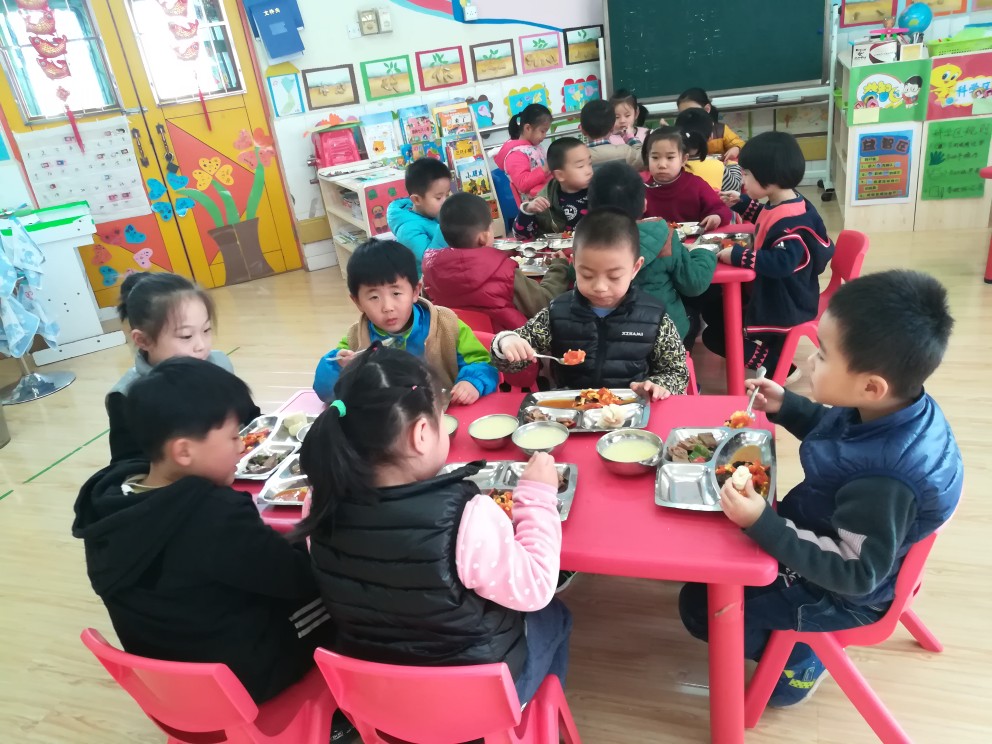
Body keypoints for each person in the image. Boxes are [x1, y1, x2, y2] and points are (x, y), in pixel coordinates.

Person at [680, 270, 963, 708]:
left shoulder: (884, 480)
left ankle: (798, 661)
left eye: (824, 356)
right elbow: (837, 433)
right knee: (711, 560)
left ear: (871, 386)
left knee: (702, 606)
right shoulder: (891, 408)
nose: (810, 361)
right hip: (850, 536)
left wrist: (762, 523)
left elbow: (855, 574)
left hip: (845, 590)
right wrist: (787, 405)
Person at [73, 358, 355, 741]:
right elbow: (299, 579)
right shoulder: (214, 516)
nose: (241, 447)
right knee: (340, 592)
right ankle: (345, 708)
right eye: (234, 437)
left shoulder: (107, 500)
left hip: (170, 686)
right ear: (184, 451)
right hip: (240, 681)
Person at [299, 347, 572, 705]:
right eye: (443, 417)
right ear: (422, 433)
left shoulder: (316, 503)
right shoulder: (467, 517)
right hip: (472, 700)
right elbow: (536, 587)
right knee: (555, 614)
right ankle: (535, 713)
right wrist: (537, 497)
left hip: (380, 695)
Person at [491, 208, 690, 397]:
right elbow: (514, 362)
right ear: (575, 264)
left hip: (630, 407)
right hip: (572, 408)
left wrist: (658, 385)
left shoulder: (654, 317)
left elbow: (676, 372)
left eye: (614, 277)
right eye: (587, 275)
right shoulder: (557, 312)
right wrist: (505, 343)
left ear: (635, 268)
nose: (600, 287)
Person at [702, 131, 834, 379]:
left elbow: (782, 262)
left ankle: (778, 368)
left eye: (747, 174)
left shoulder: (792, 222)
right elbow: (767, 218)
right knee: (713, 307)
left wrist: (739, 256)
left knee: (716, 336)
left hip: (785, 305)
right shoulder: (787, 201)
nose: (743, 180)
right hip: (782, 294)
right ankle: (774, 357)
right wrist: (741, 203)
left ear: (769, 178)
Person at [313, 238, 498, 405]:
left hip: (443, 415)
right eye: (374, 297)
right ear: (357, 302)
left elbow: (483, 363)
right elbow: (326, 393)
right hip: (387, 421)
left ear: (415, 291)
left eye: (396, 293)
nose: (387, 307)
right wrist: (338, 367)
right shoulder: (357, 339)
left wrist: (472, 382)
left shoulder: (446, 326)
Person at [106, 272, 258, 465]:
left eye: (206, 330)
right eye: (186, 336)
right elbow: (128, 466)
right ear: (143, 340)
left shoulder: (218, 364)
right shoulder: (125, 397)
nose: (201, 345)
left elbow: (250, 419)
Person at [588, 162, 715, 343]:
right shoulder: (664, 236)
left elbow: (573, 274)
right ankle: (681, 359)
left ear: (592, 206)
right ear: (644, 204)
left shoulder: (586, 241)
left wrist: (561, 263)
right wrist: (704, 252)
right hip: (661, 333)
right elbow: (694, 283)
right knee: (691, 315)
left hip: (608, 335)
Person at [422, 192, 571, 331]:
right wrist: (559, 267)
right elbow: (543, 301)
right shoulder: (504, 273)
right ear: (484, 237)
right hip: (510, 345)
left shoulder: (430, 272)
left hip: (459, 344)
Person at [641, 127, 732, 230]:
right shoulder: (641, 189)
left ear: (684, 159)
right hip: (654, 240)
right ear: (647, 158)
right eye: (655, 157)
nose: (662, 165)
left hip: (693, 239)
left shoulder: (696, 185)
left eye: (670, 157)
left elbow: (721, 209)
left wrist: (716, 216)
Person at [513, 137, 593, 240]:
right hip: (559, 249)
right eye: (580, 166)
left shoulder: (600, 191)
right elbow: (521, 236)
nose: (589, 171)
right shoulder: (545, 199)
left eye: (590, 164)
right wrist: (528, 210)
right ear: (560, 175)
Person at [386, 157, 451, 274]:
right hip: (427, 282)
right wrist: (446, 226)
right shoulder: (408, 230)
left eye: (447, 194)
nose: (445, 201)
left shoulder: (433, 212)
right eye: (438, 197)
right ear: (416, 199)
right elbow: (431, 262)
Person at [493, 103, 554, 205]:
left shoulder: (534, 146)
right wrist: (545, 169)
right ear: (528, 128)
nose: (544, 135)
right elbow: (522, 184)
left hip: (546, 197)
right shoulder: (516, 154)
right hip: (534, 207)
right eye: (542, 131)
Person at [675, 107, 743, 192]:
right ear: (710, 137)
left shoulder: (672, 168)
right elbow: (735, 188)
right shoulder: (718, 167)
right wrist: (732, 165)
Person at [676, 87, 745, 162]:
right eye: (683, 113)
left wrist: (737, 148)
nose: (688, 116)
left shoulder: (721, 130)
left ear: (707, 109)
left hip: (718, 167)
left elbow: (740, 144)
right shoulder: (680, 133)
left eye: (693, 111)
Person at [579, 99, 643, 170]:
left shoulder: (576, 157)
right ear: (612, 128)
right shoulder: (625, 152)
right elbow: (643, 158)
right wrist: (631, 138)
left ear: (582, 130)